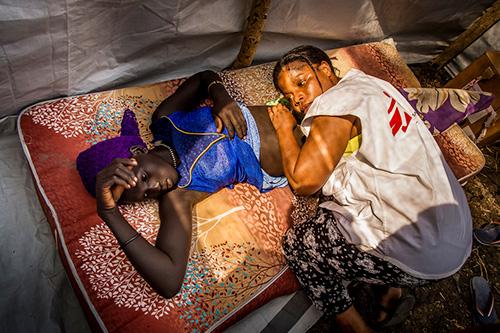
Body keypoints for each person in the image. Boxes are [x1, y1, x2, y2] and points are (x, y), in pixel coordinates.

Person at [267, 45, 472, 333]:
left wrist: (283, 128)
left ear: (325, 68)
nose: (297, 98)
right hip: (458, 233)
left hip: (424, 249)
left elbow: (304, 182)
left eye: (301, 83)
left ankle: (355, 326)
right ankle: (392, 291)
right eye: (289, 97)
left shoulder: (337, 102)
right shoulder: (371, 84)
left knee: (300, 245)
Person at [76, 70, 304, 299]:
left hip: (294, 112)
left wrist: (221, 97)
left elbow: (205, 77)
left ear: (138, 151)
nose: (155, 188)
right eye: (145, 196)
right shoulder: (178, 196)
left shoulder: (165, 120)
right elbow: (169, 281)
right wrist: (109, 213)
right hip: (301, 156)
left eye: (145, 178)